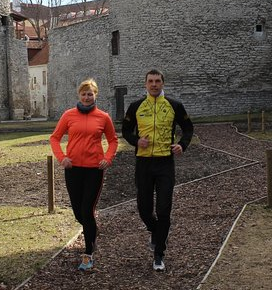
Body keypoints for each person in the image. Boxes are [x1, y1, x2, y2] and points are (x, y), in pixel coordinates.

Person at [121, 69, 194, 271]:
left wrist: (182, 144)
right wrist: (136, 141)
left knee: (163, 209)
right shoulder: (136, 106)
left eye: (158, 81)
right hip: (143, 163)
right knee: (144, 209)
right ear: (145, 84)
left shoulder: (174, 105)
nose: (154, 84)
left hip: (165, 163)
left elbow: (188, 128)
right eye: (151, 81)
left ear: (163, 83)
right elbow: (125, 130)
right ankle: (156, 231)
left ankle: (159, 254)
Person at [50, 78, 119, 271]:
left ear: (95, 95)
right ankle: (92, 230)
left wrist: (108, 157)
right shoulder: (68, 115)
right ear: (79, 95)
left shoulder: (103, 117)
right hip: (72, 169)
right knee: (78, 212)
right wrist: (62, 157)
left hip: (93, 170)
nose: (87, 97)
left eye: (90, 94)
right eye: (84, 94)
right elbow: (54, 138)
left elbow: (113, 140)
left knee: (87, 210)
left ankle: (88, 253)